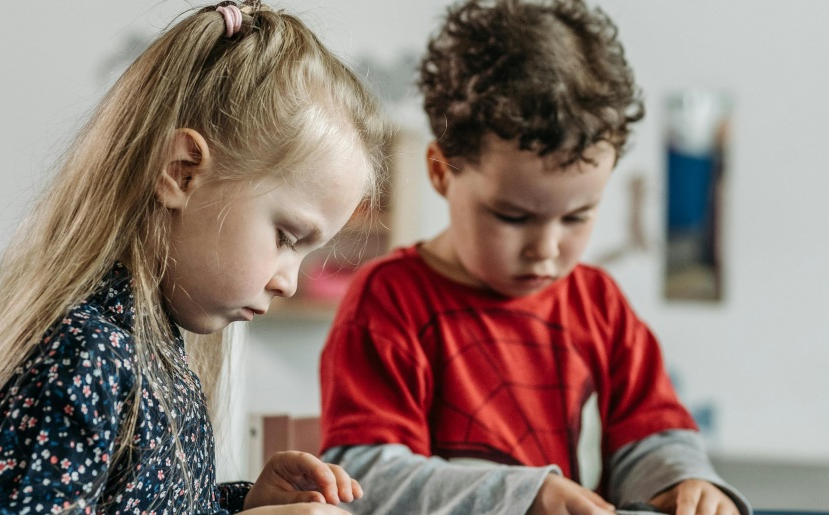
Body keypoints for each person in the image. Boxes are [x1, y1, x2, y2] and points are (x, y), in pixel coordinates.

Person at [0, 1, 389, 513]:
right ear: (181, 173)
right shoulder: (84, 359)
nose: (290, 281)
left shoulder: (154, 354)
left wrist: (244, 505)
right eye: (287, 237)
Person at [318, 0, 751, 514]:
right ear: (441, 171)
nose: (545, 250)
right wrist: (525, 496)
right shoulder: (389, 301)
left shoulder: (600, 303)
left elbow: (653, 437)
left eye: (576, 217)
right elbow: (365, 479)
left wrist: (684, 483)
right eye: (512, 217)